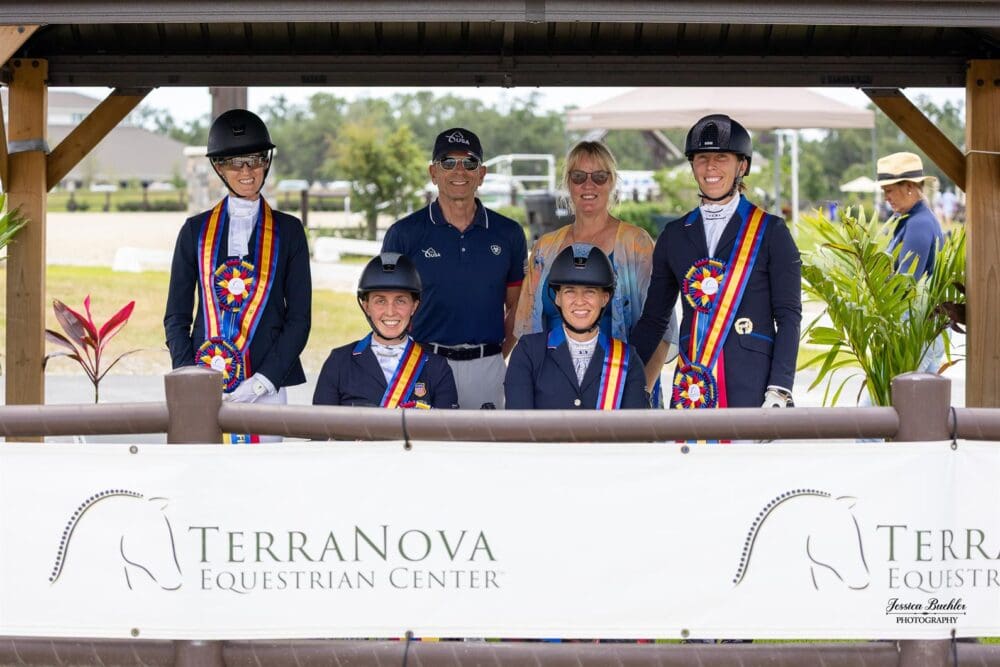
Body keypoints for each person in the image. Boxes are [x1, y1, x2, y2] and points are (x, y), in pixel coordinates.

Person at [630, 114, 801, 410]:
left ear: (742, 166)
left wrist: (780, 388)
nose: (711, 166)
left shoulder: (772, 232)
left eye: (722, 157)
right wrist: (623, 374)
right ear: (692, 165)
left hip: (754, 388)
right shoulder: (674, 235)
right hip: (693, 388)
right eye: (702, 158)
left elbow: (788, 316)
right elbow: (654, 319)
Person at [164, 109, 311, 443]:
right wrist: (190, 377)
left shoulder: (289, 231)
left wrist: (261, 382)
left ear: (266, 162)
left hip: (267, 385)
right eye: (235, 162)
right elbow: (176, 316)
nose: (247, 171)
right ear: (219, 167)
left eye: (255, 160)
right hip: (204, 385)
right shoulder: (194, 231)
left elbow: (299, 319)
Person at [513, 141, 675, 403]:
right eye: (579, 177)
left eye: (599, 176)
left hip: (618, 393)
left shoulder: (637, 244)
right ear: (568, 183)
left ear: (612, 182)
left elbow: (662, 328)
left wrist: (638, 393)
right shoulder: (544, 248)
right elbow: (526, 333)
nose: (589, 185)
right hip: (551, 396)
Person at [381, 128, 527, 409]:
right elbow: (387, 306)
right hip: (423, 364)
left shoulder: (508, 233)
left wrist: (494, 355)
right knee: (422, 439)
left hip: (487, 368)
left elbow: (518, 308)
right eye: (448, 162)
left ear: (481, 174)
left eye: (469, 162)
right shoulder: (404, 234)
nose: (459, 170)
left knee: (486, 439)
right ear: (433, 172)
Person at [505, 244, 648, 409]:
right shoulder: (528, 352)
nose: (579, 301)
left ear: (605, 298)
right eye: (570, 291)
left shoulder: (628, 359)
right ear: (557, 297)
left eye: (590, 291)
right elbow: (519, 421)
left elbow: (634, 425)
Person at [313, 253, 458, 408]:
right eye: (380, 301)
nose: (390, 312)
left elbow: (446, 424)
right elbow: (321, 422)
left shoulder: (437, 368)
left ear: (414, 306)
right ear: (366, 306)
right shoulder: (339, 362)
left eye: (400, 301)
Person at [877, 151, 946, 373]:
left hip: (917, 331)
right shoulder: (914, 219)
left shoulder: (919, 223)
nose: (886, 198)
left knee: (894, 392)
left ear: (908, 187)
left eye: (889, 190)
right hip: (922, 329)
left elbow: (904, 285)